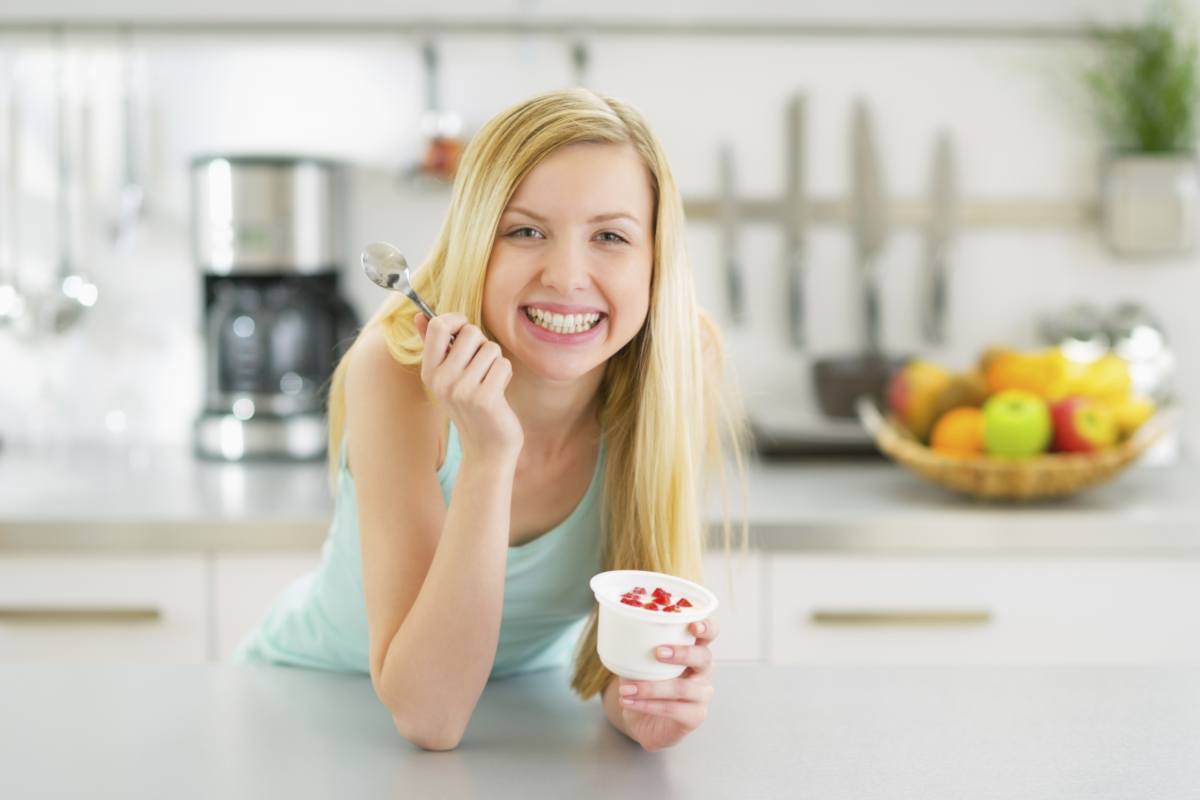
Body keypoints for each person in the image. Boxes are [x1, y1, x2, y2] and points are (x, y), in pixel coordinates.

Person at [235, 87, 749, 752]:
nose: (567, 276)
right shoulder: (397, 370)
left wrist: (649, 701)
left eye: (611, 236)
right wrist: (488, 455)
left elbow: (623, 668)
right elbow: (429, 716)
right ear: (477, 241)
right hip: (311, 702)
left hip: (525, 708)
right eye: (525, 230)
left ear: (655, 260)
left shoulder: (680, 362)